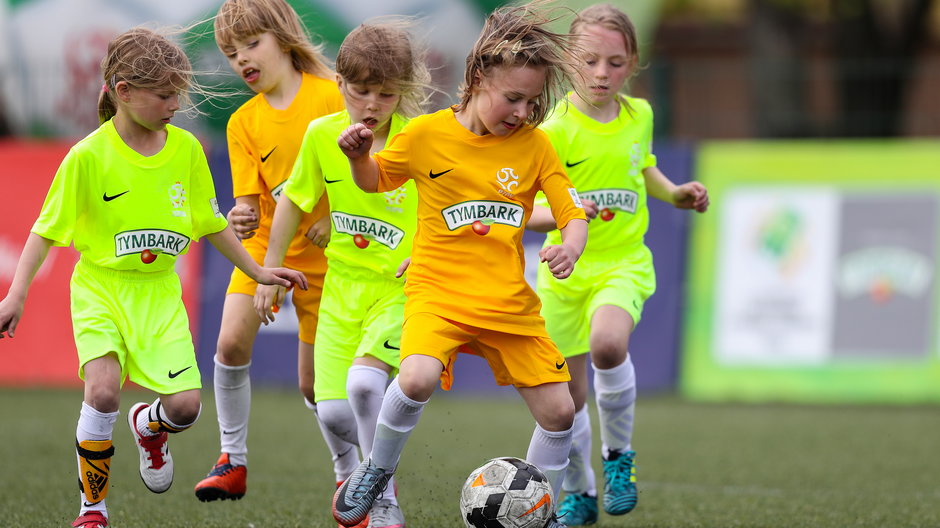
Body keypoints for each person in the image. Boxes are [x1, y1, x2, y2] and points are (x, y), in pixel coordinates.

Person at [0, 27, 307, 528]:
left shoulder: (186, 150)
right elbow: (44, 232)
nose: (174, 104)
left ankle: (149, 425)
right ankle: (92, 511)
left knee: (186, 408)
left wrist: (257, 269)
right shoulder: (87, 158)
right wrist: (16, 295)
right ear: (124, 93)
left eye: (177, 94)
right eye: (164, 95)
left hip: (160, 296)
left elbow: (211, 224)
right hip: (100, 290)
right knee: (101, 392)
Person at [331, 4, 589, 528]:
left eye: (532, 101)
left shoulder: (535, 147)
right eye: (512, 98)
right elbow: (375, 180)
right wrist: (359, 156)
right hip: (438, 293)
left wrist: (572, 246)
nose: (521, 111)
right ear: (478, 78)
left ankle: (542, 512)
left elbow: (571, 211)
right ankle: (377, 471)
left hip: (507, 304)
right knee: (417, 376)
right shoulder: (425, 135)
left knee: (561, 413)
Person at [526, 4, 709, 525]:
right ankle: (580, 491)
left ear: (632, 64)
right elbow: (527, 205)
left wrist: (675, 194)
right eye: (590, 61)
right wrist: (557, 222)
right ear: (568, 61)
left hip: (623, 262)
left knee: (609, 344)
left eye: (614, 62)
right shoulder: (552, 130)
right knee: (568, 399)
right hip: (565, 273)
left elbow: (643, 166)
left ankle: (618, 457)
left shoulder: (640, 116)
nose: (602, 73)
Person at [256, 19, 430, 528]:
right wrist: (269, 270)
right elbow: (293, 201)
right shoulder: (321, 136)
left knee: (362, 388)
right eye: (361, 92)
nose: (372, 105)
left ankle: (383, 500)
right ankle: (354, 473)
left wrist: (424, 255)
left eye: (386, 94)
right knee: (332, 412)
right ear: (339, 85)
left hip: (399, 290)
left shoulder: (417, 140)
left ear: (404, 92)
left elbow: (444, 206)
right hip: (340, 291)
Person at [194, 0, 349, 503]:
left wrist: (330, 217)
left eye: (250, 45)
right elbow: (249, 207)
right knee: (230, 346)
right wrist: (242, 218)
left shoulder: (332, 99)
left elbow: (367, 180)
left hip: (331, 262)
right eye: (231, 53)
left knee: (314, 388)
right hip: (266, 252)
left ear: (283, 39)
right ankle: (231, 460)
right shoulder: (242, 123)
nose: (241, 60)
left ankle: (349, 475)